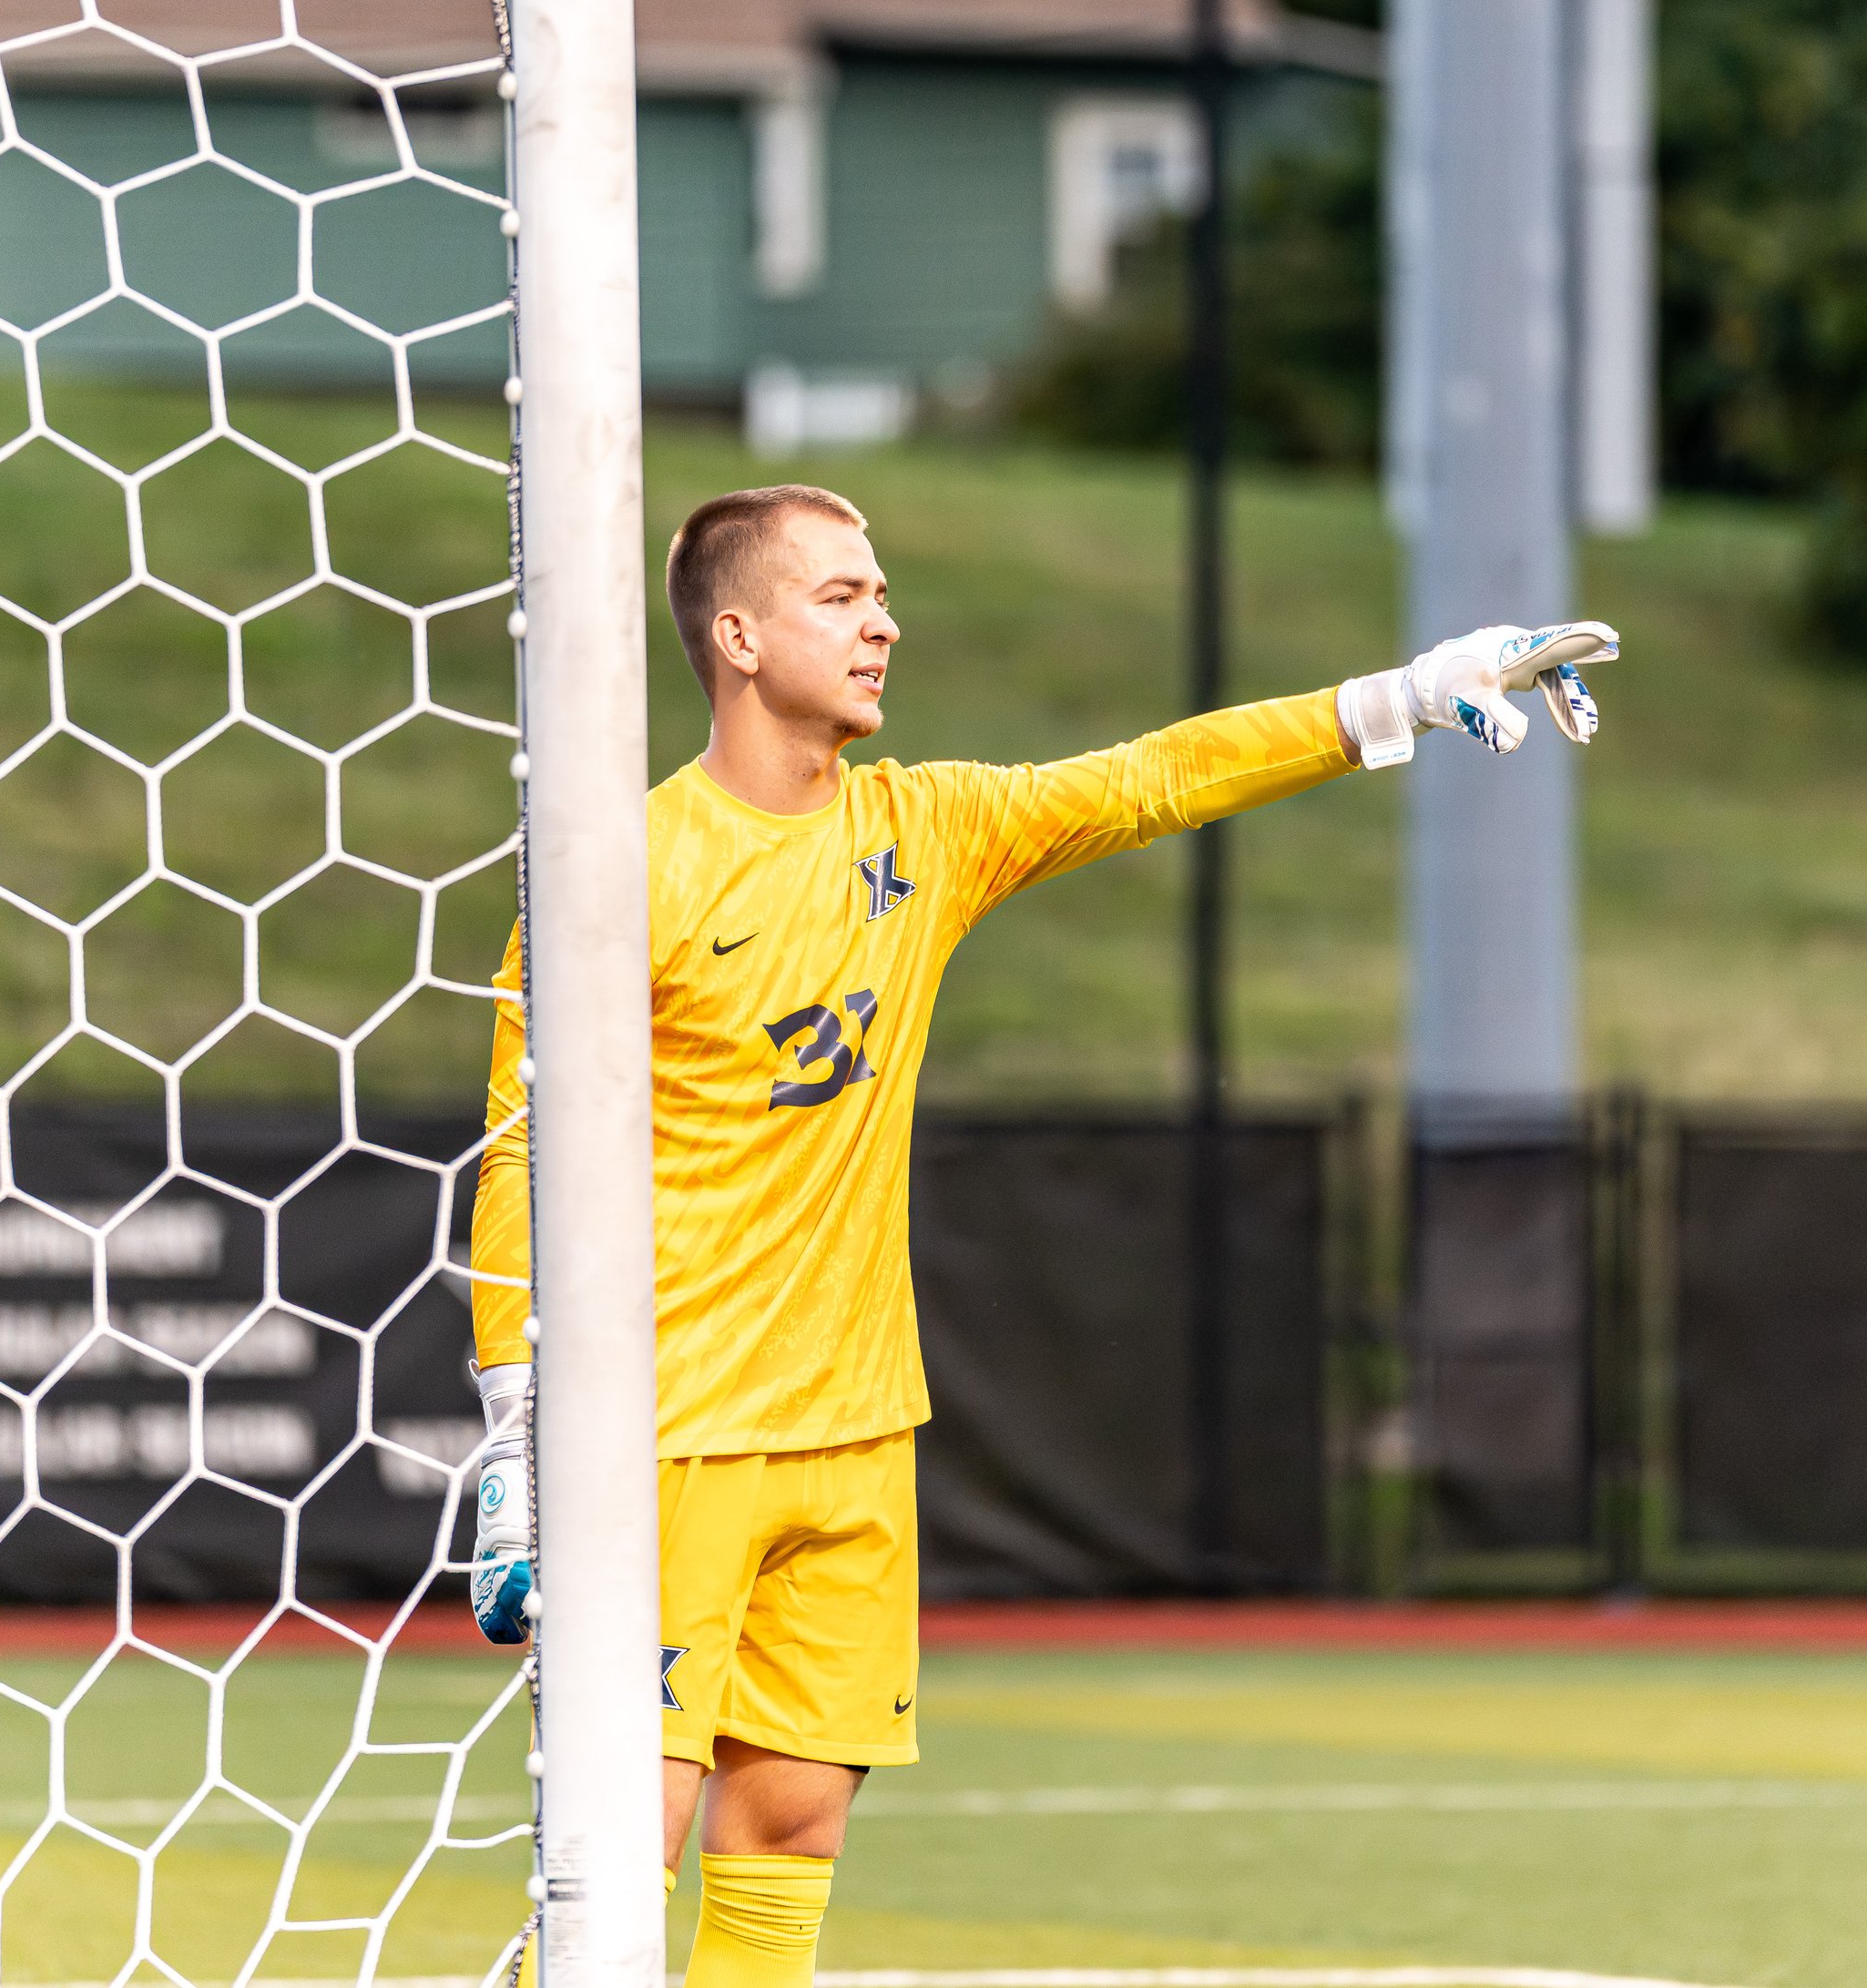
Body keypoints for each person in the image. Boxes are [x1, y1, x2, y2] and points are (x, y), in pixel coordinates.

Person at [468, 481, 1616, 1988]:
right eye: (840, 595)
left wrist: (1397, 696)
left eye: (881, 590)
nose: (884, 621)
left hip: (858, 1423)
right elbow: (520, 1148)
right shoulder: (627, 865)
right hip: (671, 1434)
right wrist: (516, 1438)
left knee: (795, 1822)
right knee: (625, 1853)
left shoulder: (927, 828)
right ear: (736, 635)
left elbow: (1150, 777)